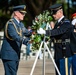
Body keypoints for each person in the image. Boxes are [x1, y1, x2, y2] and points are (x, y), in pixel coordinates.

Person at [37, 4, 73, 75]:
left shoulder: (66, 23)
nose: (53, 15)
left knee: (64, 73)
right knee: (58, 73)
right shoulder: (58, 23)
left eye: (55, 13)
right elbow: (54, 35)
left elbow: (59, 31)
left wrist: (45, 32)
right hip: (58, 53)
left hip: (64, 53)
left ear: (60, 12)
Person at [0, 5, 32, 75]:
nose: (24, 15)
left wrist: (36, 31)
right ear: (16, 13)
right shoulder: (11, 23)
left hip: (14, 54)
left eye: (24, 13)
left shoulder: (20, 24)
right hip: (9, 55)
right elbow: (15, 36)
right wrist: (26, 41)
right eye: (22, 13)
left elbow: (27, 33)